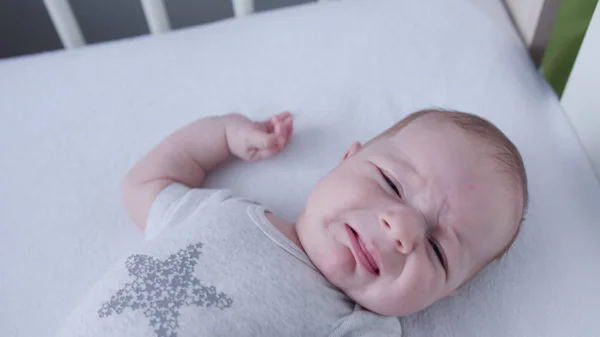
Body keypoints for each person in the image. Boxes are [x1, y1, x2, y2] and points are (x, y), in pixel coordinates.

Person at [58, 109, 527, 337]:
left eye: (438, 251)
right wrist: (221, 136)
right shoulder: (220, 212)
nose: (401, 231)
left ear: (446, 292)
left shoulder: (358, 328)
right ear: (347, 159)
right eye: (391, 184)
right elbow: (146, 183)